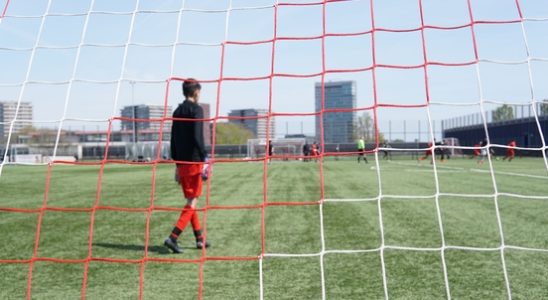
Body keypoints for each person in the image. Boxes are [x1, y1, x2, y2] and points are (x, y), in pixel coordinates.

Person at [165, 78, 210, 254]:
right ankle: (173, 237)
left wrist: (176, 164)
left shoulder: (177, 111)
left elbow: (173, 139)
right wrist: (205, 158)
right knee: (192, 201)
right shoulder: (196, 110)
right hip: (194, 161)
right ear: (196, 92)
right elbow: (198, 137)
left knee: (191, 201)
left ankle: (199, 238)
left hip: (182, 162)